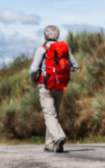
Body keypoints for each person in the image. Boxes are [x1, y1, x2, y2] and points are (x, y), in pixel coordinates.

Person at [29, 25, 79, 153]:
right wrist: (63, 73)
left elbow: (34, 69)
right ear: (57, 35)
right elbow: (75, 66)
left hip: (45, 86)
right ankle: (49, 144)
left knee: (49, 115)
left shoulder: (42, 49)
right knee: (54, 115)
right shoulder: (64, 49)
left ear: (45, 35)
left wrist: (34, 79)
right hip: (60, 86)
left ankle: (59, 137)